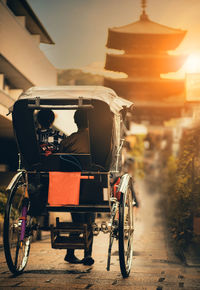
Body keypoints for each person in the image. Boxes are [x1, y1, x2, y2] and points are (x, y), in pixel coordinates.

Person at [60, 110, 95, 266]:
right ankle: (87, 254)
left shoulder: (68, 141)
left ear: (76, 122)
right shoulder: (96, 141)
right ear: (90, 122)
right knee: (89, 218)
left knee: (78, 219)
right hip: (91, 186)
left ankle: (70, 252)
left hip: (70, 185)